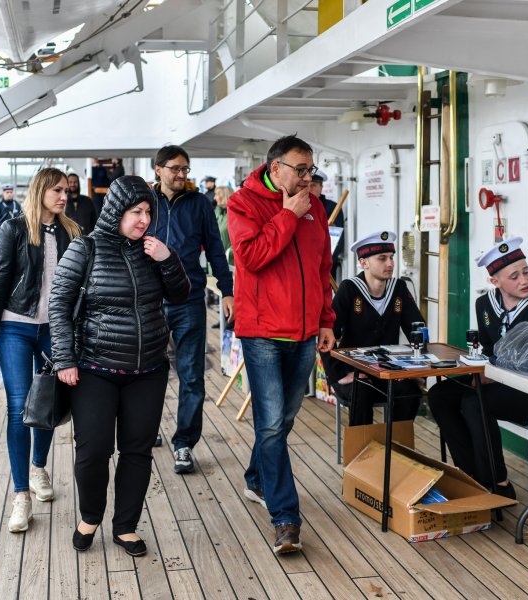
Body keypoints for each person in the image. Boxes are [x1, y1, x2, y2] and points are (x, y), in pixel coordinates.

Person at [49, 175, 190, 557]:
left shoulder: (154, 250)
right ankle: (90, 516)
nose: (144, 219)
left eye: (148, 211)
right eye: (136, 211)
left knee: (137, 451)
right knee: (93, 450)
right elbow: (59, 305)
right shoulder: (86, 247)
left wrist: (168, 259)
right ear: (117, 211)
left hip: (148, 370)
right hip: (94, 368)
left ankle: (125, 526)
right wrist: (63, 358)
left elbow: (181, 294)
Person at [228, 135, 335, 554]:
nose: (309, 177)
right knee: (271, 423)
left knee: (284, 418)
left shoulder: (317, 208)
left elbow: (323, 265)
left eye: (311, 169)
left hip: (306, 331)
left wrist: (326, 320)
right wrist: (288, 216)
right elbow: (252, 256)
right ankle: (285, 517)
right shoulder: (244, 204)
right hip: (263, 333)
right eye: (301, 169)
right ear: (275, 169)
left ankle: (256, 478)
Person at [426, 237, 528, 499]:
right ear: (494, 282)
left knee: (474, 402)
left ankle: (498, 484)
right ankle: (471, 475)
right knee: (438, 396)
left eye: (526, 271)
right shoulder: (484, 305)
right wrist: (478, 370)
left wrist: (498, 377)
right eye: (514, 276)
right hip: (502, 385)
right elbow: (487, 350)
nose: (524, 280)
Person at [0, 168, 81, 533]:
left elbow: (80, 286)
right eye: (56, 190)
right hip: (15, 327)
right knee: (19, 406)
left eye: (65, 190)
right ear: (39, 191)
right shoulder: (15, 229)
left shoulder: (71, 230)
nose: (63, 196)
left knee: (48, 402)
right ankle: (21, 495)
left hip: (55, 329)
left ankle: (39, 468)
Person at [152, 145, 234, 475]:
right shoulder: (144, 202)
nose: (181, 174)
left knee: (191, 374)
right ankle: (147, 430)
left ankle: (184, 443)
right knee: (146, 370)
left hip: (189, 298)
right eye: (175, 169)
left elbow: (216, 249)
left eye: (185, 169)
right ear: (158, 169)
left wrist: (228, 292)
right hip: (150, 298)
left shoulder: (199, 203)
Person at [321, 230, 424, 426]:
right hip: (353, 371)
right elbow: (327, 335)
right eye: (382, 258)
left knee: (410, 391)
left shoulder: (398, 288)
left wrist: (412, 367)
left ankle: (396, 448)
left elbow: (417, 329)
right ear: (364, 262)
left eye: (392, 258)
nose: (390, 264)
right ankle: (363, 452)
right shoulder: (349, 289)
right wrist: (338, 375)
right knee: (363, 390)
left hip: (387, 369)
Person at [310, 170, 344, 281]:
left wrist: (324, 264)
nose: (309, 189)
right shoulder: (297, 206)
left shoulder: (332, 208)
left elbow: (336, 243)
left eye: (313, 185)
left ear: (321, 187)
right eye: (306, 185)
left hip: (324, 271)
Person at [214, 185, 233, 260]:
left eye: (217, 194)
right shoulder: (217, 212)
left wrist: (229, 253)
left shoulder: (235, 214)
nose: (214, 198)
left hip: (230, 263)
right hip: (215, 262)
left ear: (225, 196)